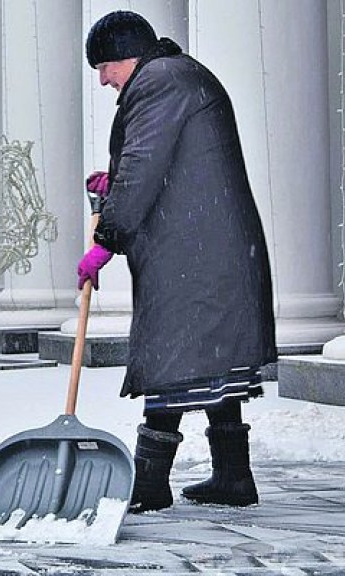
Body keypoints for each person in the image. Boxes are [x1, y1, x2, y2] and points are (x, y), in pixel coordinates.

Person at [79, 11, 277, 513]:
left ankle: (149, 484)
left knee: (173, 354)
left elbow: (146, 163)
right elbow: (166, 158)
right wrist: (115, 178)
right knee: (211, 356)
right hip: (209, 247)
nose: (103, 79)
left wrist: (109, 235)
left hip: (192, 252)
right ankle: (233, 476)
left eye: (104, 66)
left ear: (128, 55)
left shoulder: (160, 81)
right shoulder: (178, 76)